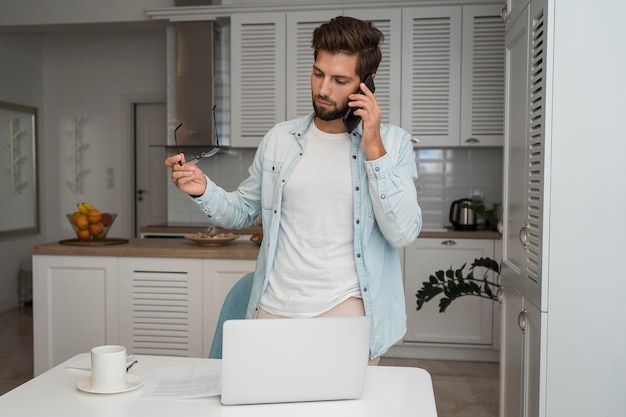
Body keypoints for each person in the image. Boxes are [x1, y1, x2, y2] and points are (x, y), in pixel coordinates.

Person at [165, 16, 422, 363]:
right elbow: (242, 211)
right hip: (274, 307)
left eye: (340, 80)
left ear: (367, 85)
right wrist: (202, 189)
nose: (323, 89)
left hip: (346, 311)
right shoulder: (279, 140)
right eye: (318, 73)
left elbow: (402, 232)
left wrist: (373, 146)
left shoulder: (394, 142)